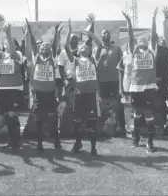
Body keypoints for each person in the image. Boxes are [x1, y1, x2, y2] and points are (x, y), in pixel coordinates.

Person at [123, 8, 159, 153]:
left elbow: (154, 36)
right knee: (137, 114)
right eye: (139, 40)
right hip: (136, 87)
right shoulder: (134, 51)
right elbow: (131, 37)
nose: (141, 40)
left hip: (149, 87)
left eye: (144, 39)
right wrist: (129, 21)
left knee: (149, 115)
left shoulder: (152, 50)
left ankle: (150, 142)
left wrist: (154, 19)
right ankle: (136, 139)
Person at [65, 19, 102, 156]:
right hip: (79, 94)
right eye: (81, 47)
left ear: (89, 50)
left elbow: (99, 44)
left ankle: (93, 147)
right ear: (78, 51)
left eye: (85, 47)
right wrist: (69, 30)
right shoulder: (74, 60)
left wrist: (90, 33)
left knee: (92, 122)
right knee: (77, 121)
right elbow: (65, 46)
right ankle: (78, 143)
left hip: (92, 94)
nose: (83, 47)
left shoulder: (93, 59)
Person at [25, 18, 62, 153]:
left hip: (50, 94)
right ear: (39, 49)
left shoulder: (52, 58)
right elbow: (33, 43)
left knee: (53, 118)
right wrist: (29, 29)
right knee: (39, 119)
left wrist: (57, 31)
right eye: (43, 46)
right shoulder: (36, 57)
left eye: (47, 46)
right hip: (39, 94)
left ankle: (56, 141)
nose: (45, 47)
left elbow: (54, 45)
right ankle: (39, 143)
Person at [0, 23, 25, 150]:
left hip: (14, 89)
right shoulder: (1, 55)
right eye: (6, 43)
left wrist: (8, 34)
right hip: (1, 90)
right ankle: (12, 140)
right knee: (4, 116)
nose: (7, 44)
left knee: (13, 115)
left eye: (10, 42)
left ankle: (16, 142)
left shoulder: (18, 54)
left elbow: (13, 52)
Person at [93, 17, 125, 135]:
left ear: (110, 36)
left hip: (115, 81)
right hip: (102, 82)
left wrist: (122, 84)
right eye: (103, 33)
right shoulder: (96, 49)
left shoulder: (116, 48)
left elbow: (122, 66)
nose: (105, 34)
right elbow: (94, 64)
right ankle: (104, 127)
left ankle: (121, 127)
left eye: (107, 33)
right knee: (103, 106)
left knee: (118, 105)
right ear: (100, 37)